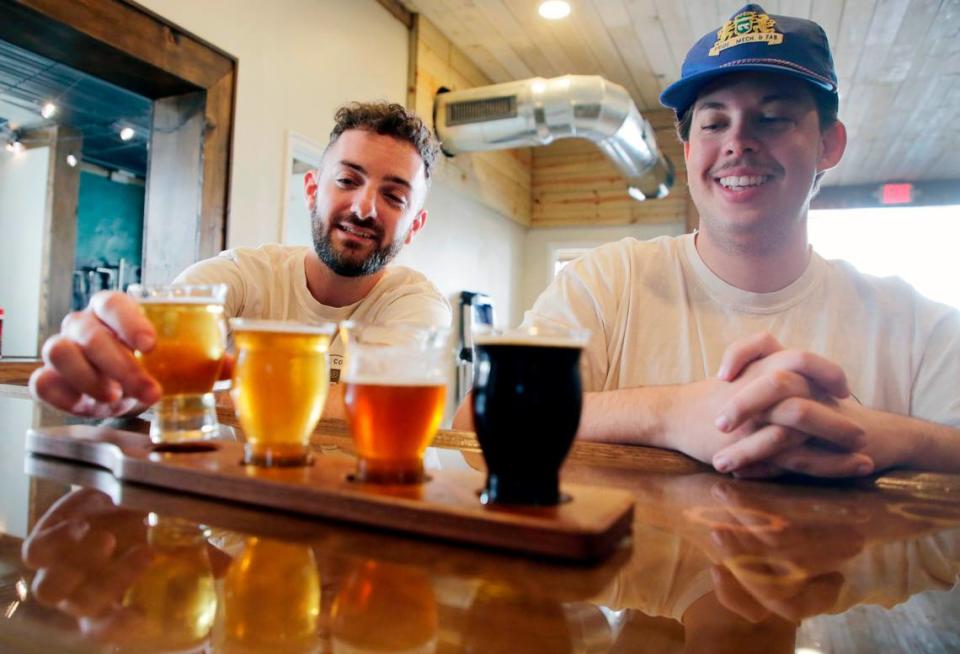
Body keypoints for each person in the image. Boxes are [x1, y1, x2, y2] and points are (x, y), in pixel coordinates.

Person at [455, 4, 960, 478]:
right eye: (715, 122)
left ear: (829, 144)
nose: (738, 142)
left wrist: (878, 435)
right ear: (692, 147)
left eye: (773, 118)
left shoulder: (918, 324)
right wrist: (670, 415)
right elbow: (474, 426)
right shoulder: (606, 282)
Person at [31, 101, 451, 420]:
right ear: (311, 189)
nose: (364, 208)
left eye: (394, 196)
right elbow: (161, 342)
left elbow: (375, 406)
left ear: (415, 225)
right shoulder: (243, 276)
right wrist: (117, 364)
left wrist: (200, 388)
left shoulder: (417, 304)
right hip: (232, 524)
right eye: (346, 180)